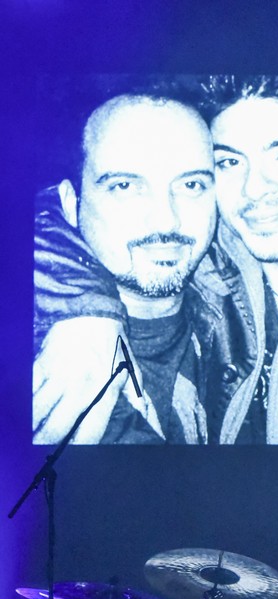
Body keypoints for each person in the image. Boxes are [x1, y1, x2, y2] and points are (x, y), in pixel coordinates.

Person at [33, 75, 278, 446]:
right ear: (70, 202)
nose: (166, 220)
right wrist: (81, 306)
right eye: (230, 162)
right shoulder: (51, 353)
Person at [33, 85, 248, 444]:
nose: (166, 220)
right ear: (70, 204)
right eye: (124, 186)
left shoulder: (248, 305)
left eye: (191, 185)